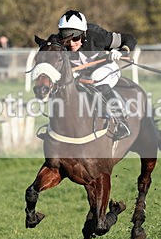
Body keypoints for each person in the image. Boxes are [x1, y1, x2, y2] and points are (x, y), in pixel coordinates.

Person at [56, 9, 137, 140]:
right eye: (66, 38)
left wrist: (122, 52)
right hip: (80, 75)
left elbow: (129, 39)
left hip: (105, 68)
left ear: (84, 34)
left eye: (75, 37)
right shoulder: (58, 42)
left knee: (98, 79)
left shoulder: (97, 35)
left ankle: (121, 122)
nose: (71, 43)